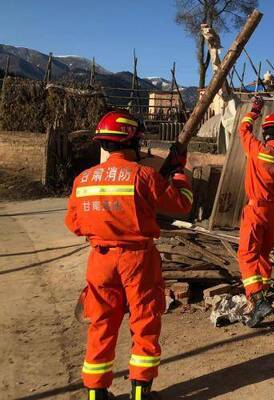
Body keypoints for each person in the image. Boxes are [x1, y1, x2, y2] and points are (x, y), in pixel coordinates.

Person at [65, 110, 193, 400]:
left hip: (99, 261)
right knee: (144, 321)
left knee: (102, 324)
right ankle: (140, 394)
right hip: (137, 260)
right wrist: (178, 172)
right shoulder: (144, 176)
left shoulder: (83, 180)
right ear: (131, 141)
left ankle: (96, 393)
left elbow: (74, 225)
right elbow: (182, 203)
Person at [237, 96, 274, 327]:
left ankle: (257, 298)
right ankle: (262, 292)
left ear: (265, 133)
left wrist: (254, 109)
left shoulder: (256, 149)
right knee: (263, 254)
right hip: (273, 213)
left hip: (255, 210)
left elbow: (243, 128)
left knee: (247, 255)